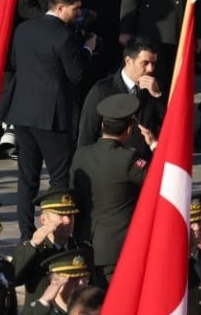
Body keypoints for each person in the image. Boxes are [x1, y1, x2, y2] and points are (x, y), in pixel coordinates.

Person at [0, 0, 96, 240]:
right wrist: (88, 49)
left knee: (27, 176)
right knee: (59, 178)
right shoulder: (63, 36)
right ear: (61, 7)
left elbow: (14, 62)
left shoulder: (23, 29)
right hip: (52, 118)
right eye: (74, 10)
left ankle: (25, 234)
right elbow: (76, 74)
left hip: (23, 113)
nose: (77, 14)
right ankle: (58, 234)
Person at [70, 94, 147, 285]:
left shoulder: (82, 154)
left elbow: (74, 195)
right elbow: (161, 181)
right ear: (130, 129)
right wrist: (155, 144)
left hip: (85, 244)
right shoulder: (128, 159)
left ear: (102, 126)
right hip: (117, 250)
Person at [77, 37, 163, 153]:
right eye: (145, 63)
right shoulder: (102, 90)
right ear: (128, 61)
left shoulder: (154, 88)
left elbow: (168, 124)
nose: (150, 69)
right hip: (112, 162)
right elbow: (87, 133)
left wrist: (158, 95)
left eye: (153, 64)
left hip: (144, 163)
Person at [13, 189, 87, 295]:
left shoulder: (80, 249)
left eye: (70, 215)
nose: (67, 221)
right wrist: (32, 245)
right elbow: (13, 280)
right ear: (43, 220)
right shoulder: (33, 250)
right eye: (60, 214)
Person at [20, 248, 92, 315]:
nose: (81, 283)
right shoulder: (43, 311)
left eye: (84, 278)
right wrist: (43, 302)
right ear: (55, 283)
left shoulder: (93, 309)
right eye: (74, 278)